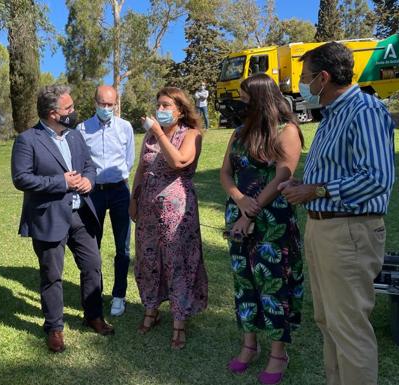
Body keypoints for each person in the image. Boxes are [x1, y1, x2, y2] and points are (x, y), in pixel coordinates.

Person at [280, 42, 395, 385]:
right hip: (324, 229)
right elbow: (341, 172)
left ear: (324, 78)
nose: (301, 84)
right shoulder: (333, 115)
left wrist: (315, 190)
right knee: (328, 321)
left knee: (349, 329)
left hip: (349, 232)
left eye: (305, 77)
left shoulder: (364, 110)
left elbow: (377, 178)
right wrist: (308, 184)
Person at [11, 84, 114, 353]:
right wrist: (61, 182)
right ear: (52, 113)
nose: (74, 111)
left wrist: (89, 182)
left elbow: (89, 166)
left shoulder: (74, 136)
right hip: (49, 217)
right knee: (52, 275)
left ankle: (93, 315)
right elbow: (21, 178)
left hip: (80, 214)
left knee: (93, 265)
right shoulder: (27, 140)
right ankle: (54, 327)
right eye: (68, 108)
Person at [220, 73, 305, 384]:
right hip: (239, 215)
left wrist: (252, 210)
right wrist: (240, 200)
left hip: (272, 221)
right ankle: (249, 345)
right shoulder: (239, 133)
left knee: (273, 284)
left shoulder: (287, 131)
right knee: (245, 282)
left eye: (245, 97)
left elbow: (283, 174)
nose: (241, 102)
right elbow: (226, 173)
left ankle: (278, 353)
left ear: (260, 98)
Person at [130, 86, 208, 350]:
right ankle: (151, 309)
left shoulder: (191, 134)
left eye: (166, 106)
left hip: (177, 210)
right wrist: (134, 198)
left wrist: (158, 132)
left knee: (177, 261)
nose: (160, 110)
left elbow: (178, 162)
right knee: (149, 259)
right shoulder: (150, 138)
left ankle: (179, 320)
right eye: (158, 105)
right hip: (148, 208)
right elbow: (141, 168)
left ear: (180, 110)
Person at [76, 85, 135, 317]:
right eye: (103, 104)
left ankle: (119, 295)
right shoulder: (82, 129)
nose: (106, 108)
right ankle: (95, 291)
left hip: (120, 190)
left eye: (111, 104)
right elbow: (80, 161)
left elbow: (129, 160)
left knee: (123, 246)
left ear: (116, 104)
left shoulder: (125, 128)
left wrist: (118, 178)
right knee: (92, 245)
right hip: (93, 193)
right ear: (95, 103)